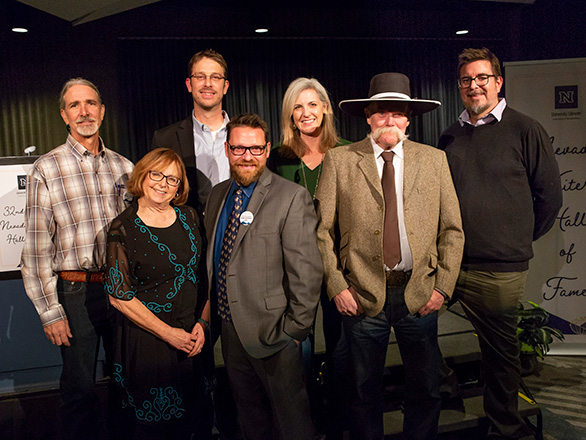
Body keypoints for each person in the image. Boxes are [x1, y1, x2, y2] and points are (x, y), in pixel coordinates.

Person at [316, 72, 464, 440]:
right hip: (362, 296)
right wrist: (337, 286)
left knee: (426, 389)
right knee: (363, 392)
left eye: (397, 113)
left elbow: (453, 231)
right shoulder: (340, 161)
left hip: (419, 295)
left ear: (409, 118)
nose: (389, 121)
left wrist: (442, 288)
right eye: (381, 113)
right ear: (368, 116)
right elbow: (320, 232)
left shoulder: (435, 161)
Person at [438, 47, 563, 440]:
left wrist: (516, 239)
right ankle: (445, 386)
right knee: (413, 323)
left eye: (481, 78)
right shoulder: (451, 134)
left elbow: (551, 197)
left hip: (499, 269)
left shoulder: (525, 129)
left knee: (500, 357)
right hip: (452, 263)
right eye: (466, 80)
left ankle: (506, 429)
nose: (474, 86)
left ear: (498, 82)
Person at [21, 78, 134, 440]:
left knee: (125, 382)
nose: (84, 111)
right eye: (75, 105)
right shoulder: (46, 168)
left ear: (102, 111)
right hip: (75, 293)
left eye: (91, 103)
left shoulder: (125, 168)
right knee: (80, 389)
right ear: (64, 115)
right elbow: (37, 248)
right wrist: (49, 312)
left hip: (122, 291)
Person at [204, 113, 323, 440]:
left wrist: (296, 329)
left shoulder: (290, 197)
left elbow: (307, 270)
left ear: (267, 150)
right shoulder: (217, 196)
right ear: (227, 150)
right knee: (250, 419)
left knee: (292, 422)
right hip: (230, 331)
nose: (247, 157)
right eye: (239, 149)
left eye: (255, 149)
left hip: (275, 333)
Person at [104, 148, 212, 439]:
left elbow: (207, 277)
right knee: (156, 429)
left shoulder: (190, 217)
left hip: (193, 337)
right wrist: (168, 333)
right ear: (142, 175)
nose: (163, 184)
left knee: (196, 423)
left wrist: (203, 324)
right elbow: (119, 296)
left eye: (173, 180)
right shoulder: (122, 228)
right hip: (148, 342)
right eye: (157, 175)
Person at [267, 76, 351, 438]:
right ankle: (304, 423)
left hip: (341, 268)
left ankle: (339, 423)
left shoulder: (349, 152)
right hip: (294, 271)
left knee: (342, 351)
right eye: (297, 107)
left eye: (312, 104)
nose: (305, 113)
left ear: (326, 108)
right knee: (298, 353)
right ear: (289, 114)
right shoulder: (277, 159)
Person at [151, 49, 230, 213]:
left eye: (215, 77)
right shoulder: (165, 139)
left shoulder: (245, 137)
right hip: (188, 233)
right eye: (200, 77)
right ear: (189, 84)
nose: (207, 83)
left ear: (225, 86)